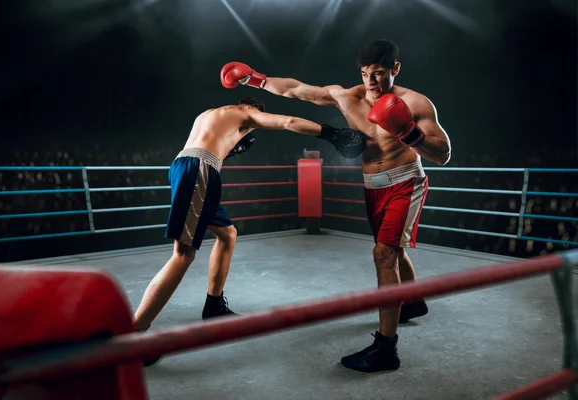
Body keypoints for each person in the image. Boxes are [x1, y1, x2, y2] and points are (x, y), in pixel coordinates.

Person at [221, 39, 451, 373]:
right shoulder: (348, 96)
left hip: (405, 180)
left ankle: (386, 349)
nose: (371, 82)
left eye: (379, 74)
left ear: (395, 70)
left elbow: (442, 153)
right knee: (393, 251)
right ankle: (412, 302)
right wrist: (254, 79)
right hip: (372, 185)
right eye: (365, 74)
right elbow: (298, 90)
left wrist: (408, 132)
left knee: (383, 254)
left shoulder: (415, 102)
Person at [133, 96, 366, 366]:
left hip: (187, 167)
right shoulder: (245, 114)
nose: (251, 129)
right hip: (200, 170)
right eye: (253, 123)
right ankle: (135, 335)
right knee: (183, 254)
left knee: (227, 234)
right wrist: (330, 133)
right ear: (249, 108)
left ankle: (214, 305)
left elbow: (207, 144)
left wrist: (228, 148)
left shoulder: (208, 113)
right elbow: (288, 122)